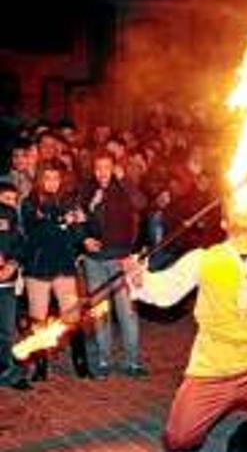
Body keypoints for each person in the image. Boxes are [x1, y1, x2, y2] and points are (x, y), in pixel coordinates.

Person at [124, 201, 247, 452]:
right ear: (224, 224)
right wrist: (139, 279)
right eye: (235, 208)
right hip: (212, 366)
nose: (243, 208)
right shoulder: (203, 259)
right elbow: (165, 293)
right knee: (178, 440)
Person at [20, 162, 90, 381]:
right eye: (47, 178)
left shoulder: (68, 201)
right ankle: (40, 368)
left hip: (63, 266)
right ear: (40, 179)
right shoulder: (30, 203)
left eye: (56, 178)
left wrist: (80, 222)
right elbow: (36, 233)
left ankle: (81, 364)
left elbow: (76, 235)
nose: (52, 183)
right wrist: (61, 220)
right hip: (38, 267)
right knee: (38, 319)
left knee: (73, 315)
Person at [80, 150, 148, 378]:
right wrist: (84, 238)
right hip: (94, 261)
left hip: (120, 258)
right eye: (98, 168)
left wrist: (124, 179)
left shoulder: (124, 189)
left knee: (126, 312)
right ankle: (103, 360)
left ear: (115, 169)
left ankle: (132, 361)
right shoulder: (87, 190)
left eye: (106, 168)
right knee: (101, 312)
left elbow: (141, 203)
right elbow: (78, 221)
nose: (102, 173)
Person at [0, 181, 29, 389]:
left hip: (7, 284)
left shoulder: (14, 219)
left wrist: (13, 263)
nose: (10, 204)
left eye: (14, 200)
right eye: (6, 199)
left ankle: (6, 371)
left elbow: (20, 245)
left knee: (7, 331)